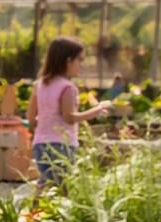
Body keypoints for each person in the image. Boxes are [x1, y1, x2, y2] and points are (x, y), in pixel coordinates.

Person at [28, 36, 111, 183]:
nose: (81, 65)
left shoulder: (39, 85)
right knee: (62, 186)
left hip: (40, 144)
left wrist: (44, 128)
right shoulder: (67, 87)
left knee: (46, 183)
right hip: (61, 145)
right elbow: (69, 117)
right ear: (68, 61)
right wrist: (97, 110)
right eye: (79, 60)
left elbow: (31, 118)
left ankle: (36, 199)